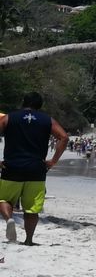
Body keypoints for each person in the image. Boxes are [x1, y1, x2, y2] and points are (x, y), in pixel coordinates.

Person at [0, 92, 69, 246]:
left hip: (12, 166)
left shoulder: (9, 117)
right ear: (40, 105)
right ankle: (29, 240)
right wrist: (53, 161)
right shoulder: (47, 120)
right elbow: (64, 137)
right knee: (32, 208)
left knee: (4, 199)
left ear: (23, 102)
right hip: (36, 168)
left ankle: (9, 219)